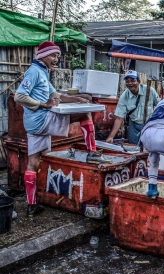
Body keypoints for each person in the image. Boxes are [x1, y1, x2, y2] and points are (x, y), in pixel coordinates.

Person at [14, 41, 110, 217]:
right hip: (42, 119)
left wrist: (78, 98)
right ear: (42, 55)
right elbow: (19, 96)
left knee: (33, 161)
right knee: (85, 115)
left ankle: (31, 204)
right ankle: (92, 151)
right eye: (53, 55)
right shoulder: (34, 72)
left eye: (57, 56)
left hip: (33, 125)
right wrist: (44, 104)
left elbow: (55, 95)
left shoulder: (42, 72)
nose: (56, 59)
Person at [106, 70, 160, 144]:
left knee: (150, 146)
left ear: (138, 81)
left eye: (132, 80)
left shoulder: (150, 91)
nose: (130, 83)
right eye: (127, 81)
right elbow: (119, 118)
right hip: (134, 125)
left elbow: (159, 106)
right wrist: (111, 137)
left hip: (149, 125)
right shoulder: (124, 97)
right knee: (133, 147)